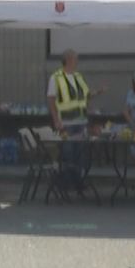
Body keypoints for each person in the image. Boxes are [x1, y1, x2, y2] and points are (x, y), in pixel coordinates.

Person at [47, 50, 100, 192]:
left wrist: (94, 98)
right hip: (66, 123)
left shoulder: (78, 76)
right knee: (68, 153)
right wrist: (56, 120)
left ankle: (78, 182)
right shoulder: (56, 78)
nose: (77, 62)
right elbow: (51, 100)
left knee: (81, 154)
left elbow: (85, 97)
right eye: (76, 59)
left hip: (81, 121)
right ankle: (66, 183)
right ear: (68, 60)